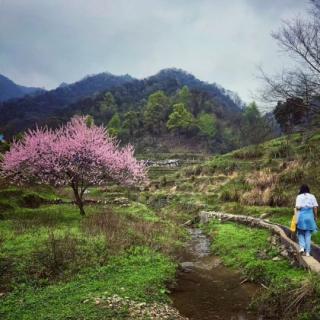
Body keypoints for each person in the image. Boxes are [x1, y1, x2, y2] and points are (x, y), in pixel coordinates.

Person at [295, 185, 318, 257]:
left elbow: (297, 207)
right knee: (308, 234)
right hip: (310, 216)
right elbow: (315, 207)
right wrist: (315, 216)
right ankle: (307, 252)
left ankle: (302, 247)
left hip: (302, 215)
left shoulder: (299, 197)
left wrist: (296, 217)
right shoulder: (312, 196)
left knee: (300, 232)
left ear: (301, 190)